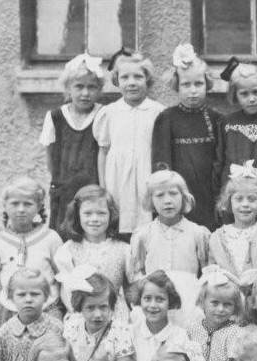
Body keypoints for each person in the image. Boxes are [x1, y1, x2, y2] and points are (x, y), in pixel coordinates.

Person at [152, 44, 224, 231]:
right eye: (186, 84)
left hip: (209, 193)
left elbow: (221, 160)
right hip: (178, 195)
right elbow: (161, 164)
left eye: (198, 84)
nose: (193, 90)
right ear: (177, 85)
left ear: (206, 84)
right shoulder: (166, 118)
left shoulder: (216, 119)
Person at [94, 51, 163, 237]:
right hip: (117, 178)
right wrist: (103, 187)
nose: (131, 82)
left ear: (147, 80)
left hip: (146, 176)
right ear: (117, 81)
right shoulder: (109, 113)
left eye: (138, 77)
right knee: (119, 225)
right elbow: (103, 151)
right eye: (125, 77)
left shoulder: (158, 112)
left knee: (147, 226)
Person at [0, 177, 63, 327]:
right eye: (15, 203)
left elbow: (62, 275)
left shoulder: (50, 238)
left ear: (39, 206)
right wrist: (10, 302)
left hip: (48, 310)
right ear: (5, 205)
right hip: (12, 313)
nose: (21, 209)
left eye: (27, 204)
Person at [40, 53, 104, 232]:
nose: (85, 93)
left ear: (99, 89)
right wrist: (59, 182)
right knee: (64, 233)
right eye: (79, 86)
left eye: (92, 87)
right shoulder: (55, 117)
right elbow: (50, 159)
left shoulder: (104, 114)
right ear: (68, 88)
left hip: (93, 190)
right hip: (64, 190)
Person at [54, 185, 133, 321]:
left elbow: (134, 286)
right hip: (82, 315)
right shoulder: (68, 250)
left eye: (101, 213)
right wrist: (79, 314)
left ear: (111, 215)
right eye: (88, 213)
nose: (95, 219)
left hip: (116, 316)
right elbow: (66, 291)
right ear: (77, 215)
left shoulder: (124, 249)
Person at [59, 271, 136, 361]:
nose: (98, 314)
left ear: (111, 306)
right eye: (90, 308)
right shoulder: (72, 328)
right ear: (80, 307)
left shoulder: (118, 330)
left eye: (103, 307)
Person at [218, 62, 257, 221]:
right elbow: (219, 162)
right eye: (244, 94)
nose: (251, 99)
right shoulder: (227, 123)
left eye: (256, 92)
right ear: (235, 94)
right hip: (235, 194)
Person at [209, 161, 257, 277]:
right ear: (229, 201)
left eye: (252, 199)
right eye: (239, 199)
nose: (245, 204)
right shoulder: (216, 238)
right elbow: (211, 278)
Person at [188, 266, 245, 361]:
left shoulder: (235, 333)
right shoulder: (192, 329)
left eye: (227, 304)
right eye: (215, 303)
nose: (220, 309)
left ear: (235, 307)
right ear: (202, 302)